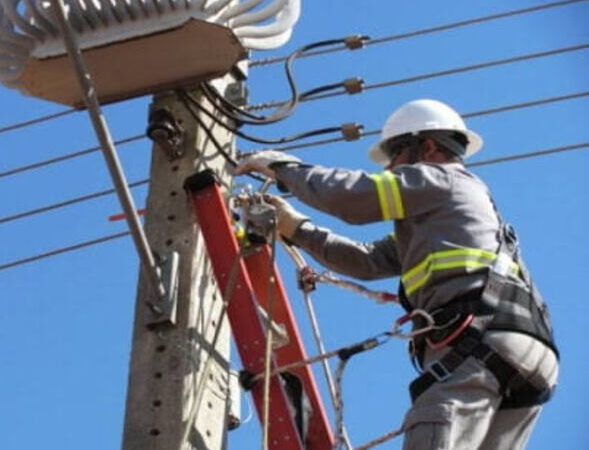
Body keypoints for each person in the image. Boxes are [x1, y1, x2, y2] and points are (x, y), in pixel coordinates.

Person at [235, 99, 559, 450]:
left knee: (433, 434)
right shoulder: (444, 220)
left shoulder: (442, 178)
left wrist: (285, 168)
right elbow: (367, 261)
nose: (389, 166)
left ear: (428, 146)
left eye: (395, 154)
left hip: (477, 339)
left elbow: (351, 198)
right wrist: (298, 228)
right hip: (524, 351)